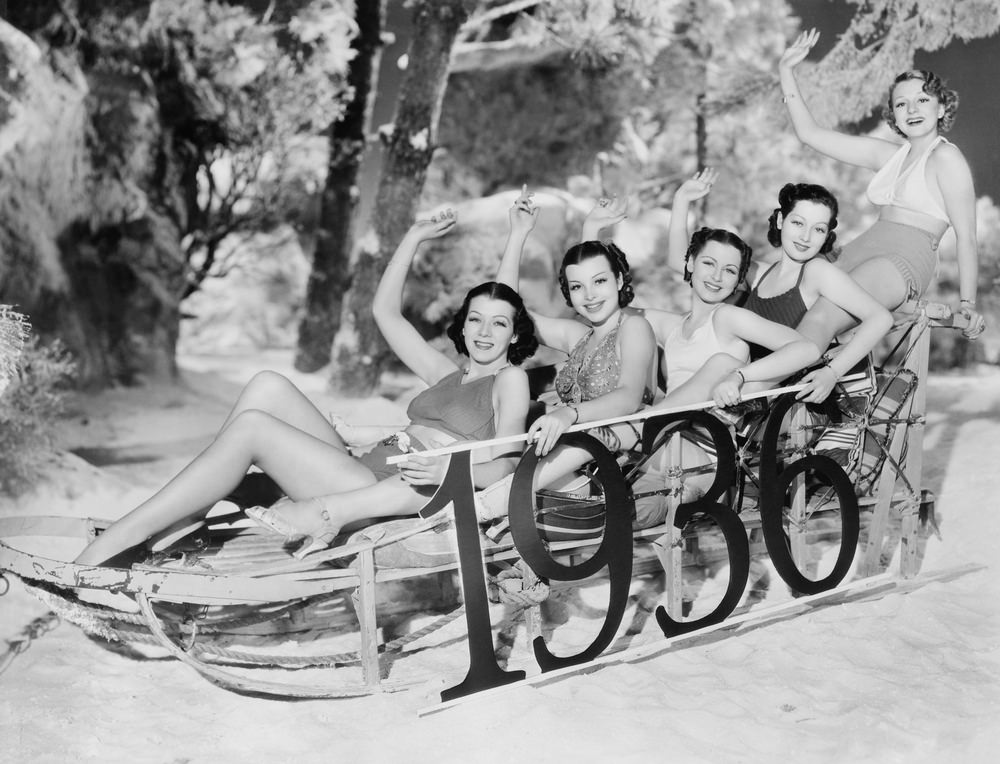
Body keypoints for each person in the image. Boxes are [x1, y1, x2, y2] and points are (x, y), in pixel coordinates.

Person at [75, 209, 539, 566]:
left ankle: (126, 537)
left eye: (499, 324)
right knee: (267, 385)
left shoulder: (510, 380)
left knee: (254, 428)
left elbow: (508, 463)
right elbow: (385, 314)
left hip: (382, 491)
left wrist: (446, 474)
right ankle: (186, 517)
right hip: (360, 464)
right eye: (475, 319)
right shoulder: (447, 372)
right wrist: (413, 236)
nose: (484, 332)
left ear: (514, 335)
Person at [778, 28, 986, 344]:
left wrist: (967, 302)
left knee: (821, 319)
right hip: (860, 249)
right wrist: (786, 71)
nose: (912, 109)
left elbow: (967, 237)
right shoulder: (887, 155)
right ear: (894, 115)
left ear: (941, 108)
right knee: (786, 309)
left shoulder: (946, 157)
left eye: (922, 99)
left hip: (902, 260)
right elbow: (810, 135)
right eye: (902, 104)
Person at [472, 190, 659, 520]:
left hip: (619, 456)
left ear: (618, 280)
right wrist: (518, 235)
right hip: (574, 455)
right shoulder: (579, 337)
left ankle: (483, 507)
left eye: (599, 281)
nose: (589, 296)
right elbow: (506, 308)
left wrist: (567, 415)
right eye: (577, 288)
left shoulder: (633, 328)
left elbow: (629, 397)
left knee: (510, 475)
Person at [660, 172, 893, 405]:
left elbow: (880, 318)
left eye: (818, 229)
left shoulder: (817, 272)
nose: (806, 237)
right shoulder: (759, 273)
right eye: (798, 223)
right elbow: (682, 264)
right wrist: (681, 200)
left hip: (763, 396)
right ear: (781, 221)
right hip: (729, 384)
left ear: (826, 236)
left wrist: (833, 372)